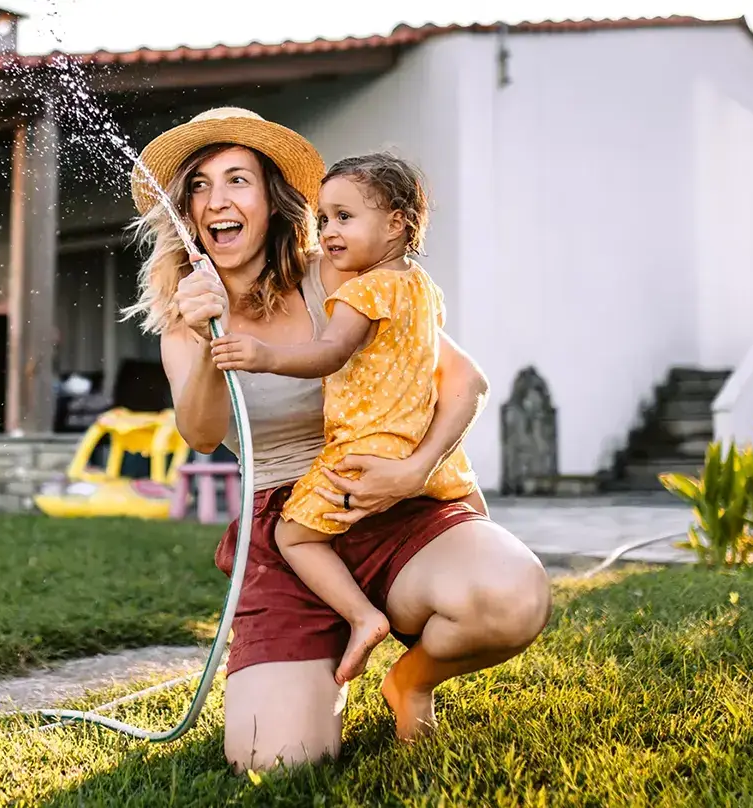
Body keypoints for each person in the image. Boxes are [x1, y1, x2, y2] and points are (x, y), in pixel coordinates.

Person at [122, 107, 551, 771]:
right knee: (276, 761)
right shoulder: (186, 319)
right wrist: (208, 335)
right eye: (200, 187)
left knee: (510, 596)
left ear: (270, 199)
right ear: (186, 211)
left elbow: (463, 382)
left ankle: (410, 679)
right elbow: (203, 432)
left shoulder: (337, 276)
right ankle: (331, 649)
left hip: (388, 497)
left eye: (238, 179)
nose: (217, 200)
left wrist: (413, 472)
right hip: (285, 531)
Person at [208, 152, 479, 687]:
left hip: (363, 450)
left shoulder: (359, 290)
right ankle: (444, 603)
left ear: (397, 222)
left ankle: (362, 616)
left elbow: (329, 354)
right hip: (414, 442)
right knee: (469, 529)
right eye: (324, 218)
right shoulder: (422, 288)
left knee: (295, 538)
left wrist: (264, 355)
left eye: (344, 218)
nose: (328, 231)